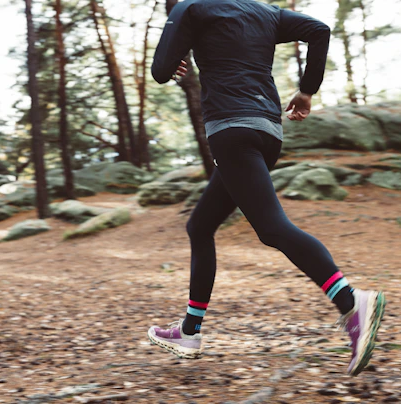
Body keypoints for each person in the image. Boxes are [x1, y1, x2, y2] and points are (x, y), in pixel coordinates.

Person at [147, 0, 385, 376]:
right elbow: (319, 30)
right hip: (268, 131)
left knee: (273, 228)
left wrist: (173, 57)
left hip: (230, 130)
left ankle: (351, 302)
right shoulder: (265, 12)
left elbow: (160, 71)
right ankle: (189, 331)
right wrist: (307, 91)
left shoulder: (191, 9)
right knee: (200, 225)